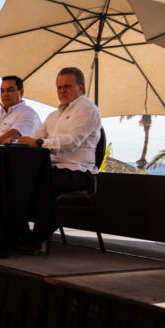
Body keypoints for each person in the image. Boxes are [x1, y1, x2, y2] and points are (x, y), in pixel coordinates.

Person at [17, 67, 102, 254]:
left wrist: (39, 143)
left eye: (67, 86)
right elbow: (36, 136)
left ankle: (37, 240)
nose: (62, 91)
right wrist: (17, 142)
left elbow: (72, 142)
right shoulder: (54, 115)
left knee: (44, 182)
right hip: (54, 169)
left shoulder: (87, 109)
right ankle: (20, 234)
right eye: (59, 87)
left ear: (80, 88)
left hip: (79, 172)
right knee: (17, 179)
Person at [0, 76, 42, 143]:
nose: (5, 94)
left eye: (10, 90)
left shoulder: (29, 113)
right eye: (2, 91)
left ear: (21, 92)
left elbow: (14, 134)